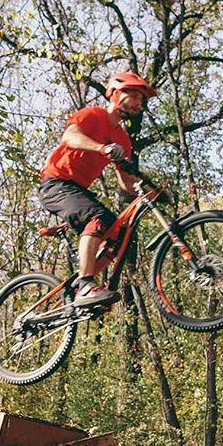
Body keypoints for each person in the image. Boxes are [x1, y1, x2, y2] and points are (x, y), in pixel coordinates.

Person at [38, 72, 157, 307]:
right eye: (132, 94)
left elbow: (125, 182)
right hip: (55, 183)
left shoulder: (123, 139)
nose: (137, 101)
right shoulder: (93, 115)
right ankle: (85, 283)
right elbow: (70, 137)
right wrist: (101, 148)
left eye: (141, 99)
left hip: (77, 190)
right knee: (97, 217)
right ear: (114, 94)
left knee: (120, 233)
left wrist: (149, 192)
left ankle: (78, 288)